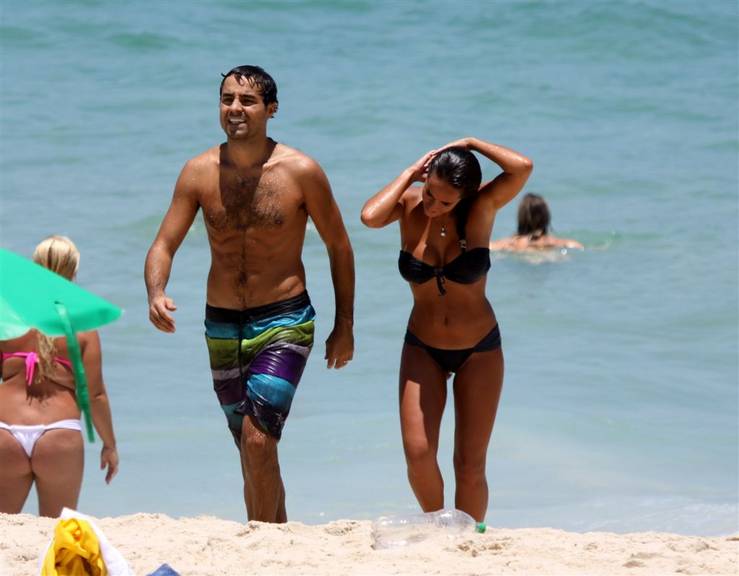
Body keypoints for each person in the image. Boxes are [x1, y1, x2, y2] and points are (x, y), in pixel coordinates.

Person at [144, 65, 355, 523]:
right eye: (226, 99)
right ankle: (273, 539)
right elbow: (163, 243)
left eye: (247, 100)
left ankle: (265, 543)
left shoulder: (301, 171)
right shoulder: (199, 172)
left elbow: (339, 245)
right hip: (221, 321)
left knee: (259, 439)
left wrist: (345, 325)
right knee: (249, 443)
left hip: (285, 319)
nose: (234, 108)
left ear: (271, 110)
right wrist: (156, 292)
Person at [361, 137, 532, 523]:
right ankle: (440, 528)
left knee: (469, 465)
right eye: (430, 194)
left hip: (479, 349)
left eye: (445, 202)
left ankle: (470, 540)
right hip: (422, 345)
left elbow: (522, 167)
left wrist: (471, 142)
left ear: (465, 197)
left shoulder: (482, 208)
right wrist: (408, 175)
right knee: (418, 454)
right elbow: (370, 217)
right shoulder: (409, 203)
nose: (433, 206)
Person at [0, 235, 119, 517]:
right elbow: (94, 394)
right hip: (59, 435)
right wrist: (109, 444)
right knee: (56, 534)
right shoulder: (83, 326)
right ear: (73, 272)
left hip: (4, 430)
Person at [489, 193, 583, 251]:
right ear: (546, 217)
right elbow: (578, 246)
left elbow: (489, 247)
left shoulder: (509, 244)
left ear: (521, 216)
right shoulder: (559, 243)